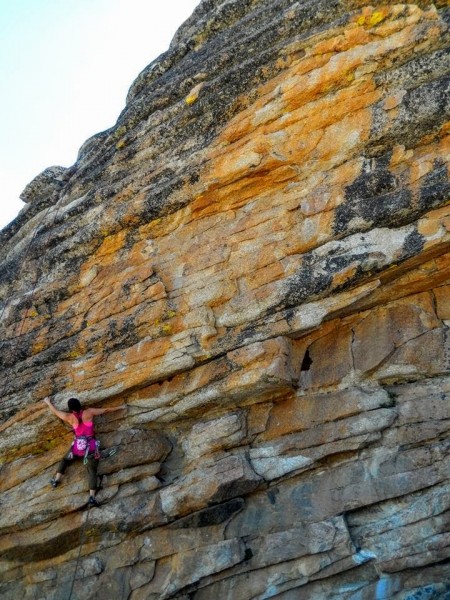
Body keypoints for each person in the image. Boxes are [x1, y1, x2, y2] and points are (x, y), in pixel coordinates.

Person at [43, 396, 126, 507]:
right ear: (80, 405)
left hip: (78, 447)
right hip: (90, 447)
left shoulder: (69, 417)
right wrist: (121, 407)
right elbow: (106, 410)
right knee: (91, 472)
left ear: (70, 409)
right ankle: (92, 497)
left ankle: (56, 480)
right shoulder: (89, 412)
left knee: (65, 460)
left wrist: (48, 402)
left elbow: (56, 412)